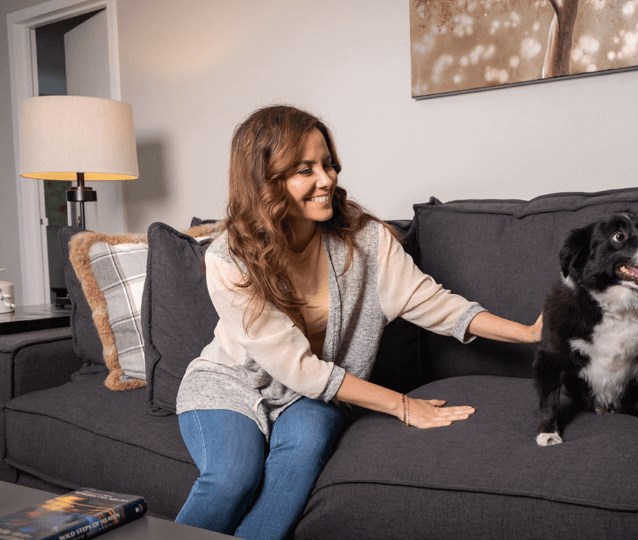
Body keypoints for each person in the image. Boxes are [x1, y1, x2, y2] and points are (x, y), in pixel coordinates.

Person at [174, 105, 542, 539]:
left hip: (312, 397)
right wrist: (403, 406)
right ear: (265, 182)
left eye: (328, 164)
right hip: (230, 383)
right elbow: (299, 367)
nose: (327, 179)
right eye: (305, 169)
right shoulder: (228, 259)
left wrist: (529, 334)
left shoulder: (365, 239)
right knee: (232, 478)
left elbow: (432, 302)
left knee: (300, 456)